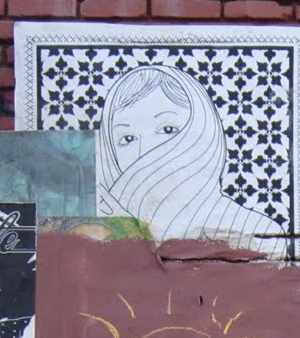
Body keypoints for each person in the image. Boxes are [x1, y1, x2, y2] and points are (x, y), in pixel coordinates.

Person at [95, 65, 287, 256]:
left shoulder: (258, 232)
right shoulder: (99, 236)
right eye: (127, 138)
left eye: (167, 130)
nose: (145, 151)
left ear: (202, 132)